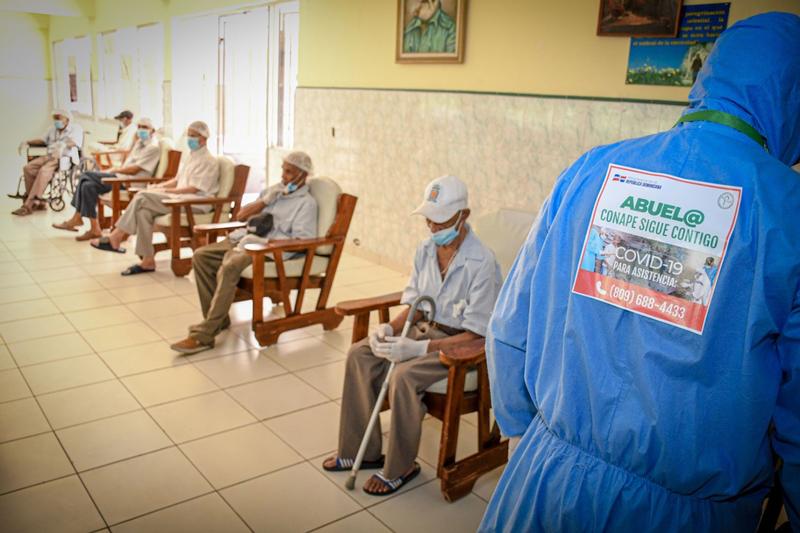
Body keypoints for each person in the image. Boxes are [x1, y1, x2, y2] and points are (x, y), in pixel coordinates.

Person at [481, 13, 800, 532]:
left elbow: (510, 324)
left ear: (708, 78)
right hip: (686, 514)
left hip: (545, 483)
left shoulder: (593, 169)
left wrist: (522, 433)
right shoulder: (787, 213)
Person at [322, 175, 502, 495]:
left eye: (441, 221)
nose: (433, 229)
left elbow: (476, 334)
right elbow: (416, 304)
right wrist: (388, 330)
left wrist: (419, 350)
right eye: (429, 221)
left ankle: (402, 466)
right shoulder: (425, 250)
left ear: (464, 216)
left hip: (460, 348)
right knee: (360, 355)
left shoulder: (482, 263)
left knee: (403, 375)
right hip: (423, 330)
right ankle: (360, 452)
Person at [169, 151, 318, 354]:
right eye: (283, 170)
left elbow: (302, 241)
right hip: (244, 238)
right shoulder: (274, 191)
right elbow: (241, 215)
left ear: (303, 174)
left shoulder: (306, 204)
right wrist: (265, 201)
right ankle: (218, 320)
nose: (284, 176)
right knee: (201, 256)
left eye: (290, 172)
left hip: (269, 249)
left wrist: (263, 242)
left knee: (230, 266)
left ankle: (203, 334)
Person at [89, 121, 219, 275]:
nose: (189, 139)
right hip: (181, 198)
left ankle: (116, 236)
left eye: (193, 136)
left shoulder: (209, 161)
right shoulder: (191, 157)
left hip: (194, 203)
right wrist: (160, 187)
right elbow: (177, 180)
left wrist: (167, 191)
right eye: (188, 135)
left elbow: (195, 188)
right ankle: (148, 261)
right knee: (144, 211)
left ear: (203, 138)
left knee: (142, 195)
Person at [51, 117, 160, 241]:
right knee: (87, 186)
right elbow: (127, 163)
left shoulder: (153, 147)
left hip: (129, 183)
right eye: (139, 127)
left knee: (85, 175)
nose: (141, 130)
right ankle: (95, 229)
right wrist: (133, 143)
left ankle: (77, 218)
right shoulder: (139, 143)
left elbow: (134, 169)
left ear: (153, 130)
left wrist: (113, 170)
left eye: (145, 127)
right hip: (121, 177)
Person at [12, 109, 83, 216]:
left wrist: (63, 145)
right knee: (28, 168)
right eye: (55, 118)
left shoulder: (75, 128)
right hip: (49, 155)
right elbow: (42, 140)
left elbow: (75, 142)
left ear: (67, 119)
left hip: (63, 158)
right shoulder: (52, 129)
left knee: (43, 171)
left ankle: (29, 205)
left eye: (59, 118)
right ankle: (39, 201)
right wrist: (26, 142)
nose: (56, 120)